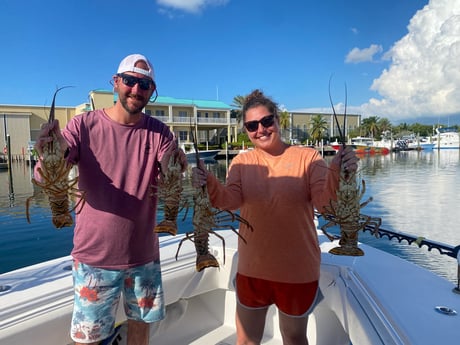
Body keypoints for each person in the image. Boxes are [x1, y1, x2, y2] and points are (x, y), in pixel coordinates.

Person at [35, 54, 186, 345]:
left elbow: (172, 176)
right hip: (95, 257)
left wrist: (178, 170)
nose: (136, 90)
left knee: (140, 329)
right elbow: (47, 174)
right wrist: (47, 151)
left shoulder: (160, 132)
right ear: (115, 82)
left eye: (145, 84)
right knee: (89, 338)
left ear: (151, 91)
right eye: (129, 81)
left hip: (144, 255)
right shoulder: (82, 126)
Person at [192, 89, 359, 345]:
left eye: (266, 121)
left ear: (277, 120)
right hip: (252, 269)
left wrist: (338, 171)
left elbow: (326, 205)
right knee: (247, 340)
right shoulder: (241, 162)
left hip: (297, 272)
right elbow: (230, 201)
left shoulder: (308, 157)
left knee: (293, 338)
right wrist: (208, 182)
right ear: (245, 130)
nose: (261, 129)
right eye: (252, 125)